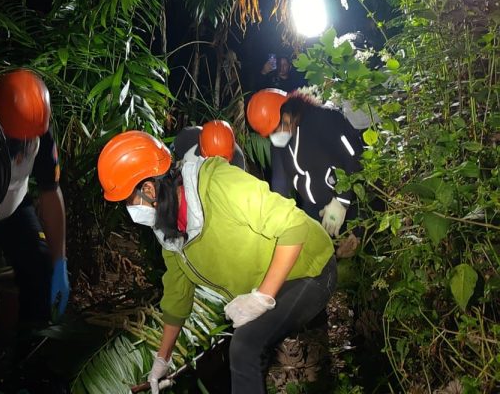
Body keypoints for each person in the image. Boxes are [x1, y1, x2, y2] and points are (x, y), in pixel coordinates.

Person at [97, 131, 336, 394]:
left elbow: (294, 226)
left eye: (128, 201)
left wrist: (261, 298)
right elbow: (178, 296)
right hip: (269, 283)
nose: (129, 210)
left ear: (149, 189)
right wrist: (161, 360)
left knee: (245, 346)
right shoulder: (168, 230)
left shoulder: (218, 183)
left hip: (309, 266)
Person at [0, 69, 69, 335]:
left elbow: (50, 192)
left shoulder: (39, 132)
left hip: (13, 207)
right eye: (17, 140)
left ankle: (30, 344)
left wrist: (59, 262)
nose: (26, 144)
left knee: (39, 266)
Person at [246, 89, 364, 238]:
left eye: (276, 129)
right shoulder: (279, 144)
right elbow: (280, 184)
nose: (275, 136)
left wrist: (342, 200)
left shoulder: (325, 119)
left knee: (357, 245)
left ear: (288, 115)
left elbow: (355, 158)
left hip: (349, 202)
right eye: (270, 133)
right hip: (313, 210)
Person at [171, 120, 247, 170]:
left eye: (222, 158)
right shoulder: (187, 136)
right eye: (212, 157)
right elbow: (170, 160)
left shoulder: (237, 160)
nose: (217, 160)